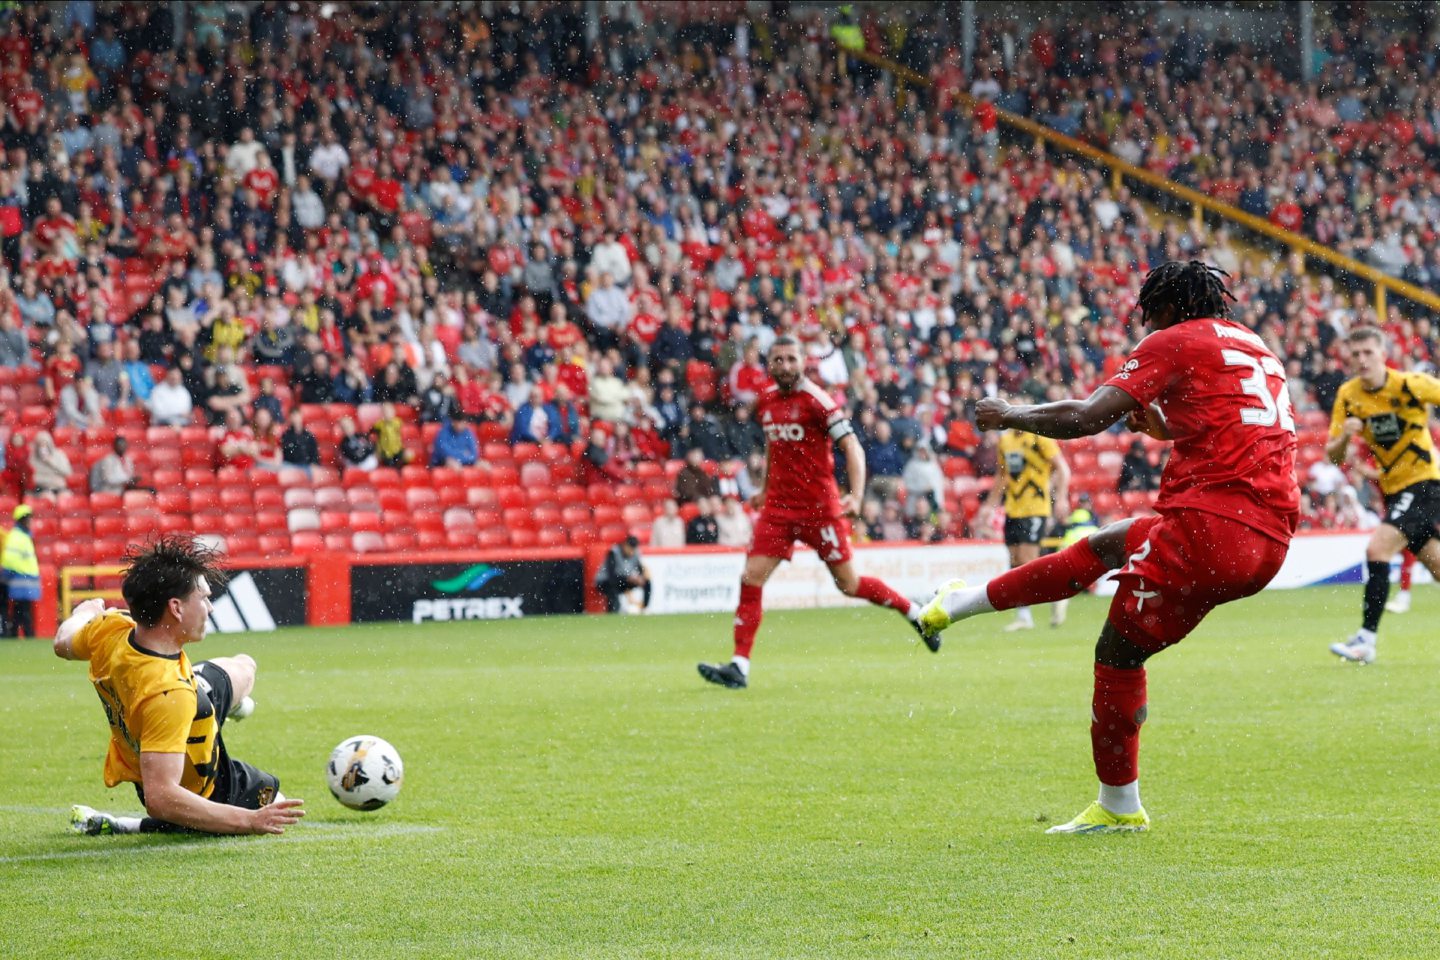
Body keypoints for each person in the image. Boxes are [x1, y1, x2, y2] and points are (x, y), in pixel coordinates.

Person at [916, 261, 1299, 834]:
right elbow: (1236, 421)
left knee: (1117, 656)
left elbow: (1087, 417)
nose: (1146, 321)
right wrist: (1165, 428)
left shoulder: (1171, 339)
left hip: (1210, 528)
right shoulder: (1255, 345)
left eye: (1149, 312)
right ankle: (958, 603)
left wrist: (1009, 415)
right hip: (1270, 533)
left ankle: (1119, 807)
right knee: (1111, 542)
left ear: (1166, 307)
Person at [698, 336, 928, 690]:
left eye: (792, 359)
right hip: (777, 508)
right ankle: (739, 666)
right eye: (779, 360)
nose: (785, 366)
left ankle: (913, 612)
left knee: (849, 585)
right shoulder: (767, 402)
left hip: (819, 510)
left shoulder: (819, 402)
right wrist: (763, 488)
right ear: (769, 365)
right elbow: (775, 447)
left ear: (803, 362)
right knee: (750, 578)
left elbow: (852, 447)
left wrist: (855, 494)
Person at [55, 537, 304, 836]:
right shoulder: (169, 696)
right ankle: (127, 826)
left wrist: (83, 614)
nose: (210, 608)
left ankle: (233, 703)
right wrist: (247, 821)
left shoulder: (110, 629)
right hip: (201, 785)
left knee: (244, 666)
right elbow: (162, 799)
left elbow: (62, 643)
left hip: (184, 695)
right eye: (204, 598)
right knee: (277, 803)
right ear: (175, 608)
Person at [1325, 326, 1440, 664]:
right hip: (1394, 491)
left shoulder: (1409, 384)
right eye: (1355, 354)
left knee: (1377, 548)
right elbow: (1333, 456)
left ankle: (1365, 640)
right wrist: (1346, 437)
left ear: (1382, 353)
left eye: (1368, 353)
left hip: (1423, 484)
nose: (1362, 360)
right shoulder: (1349, 396)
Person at [975, 417, 1071, 630]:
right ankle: (1024, 615)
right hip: (1013, 508)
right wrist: (989, 505)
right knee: (1015, 562)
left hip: (1036, 508)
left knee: (1029, 562)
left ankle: (1059, 593)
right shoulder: (1005, 441)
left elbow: (1062, 469)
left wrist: (1061, 497)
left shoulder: (1039, 438)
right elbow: (1002, 476)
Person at [2, 504, 41, 638]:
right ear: (22, 520)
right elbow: (10, 560)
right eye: (28, 518)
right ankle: (27, 635)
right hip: (21, 579)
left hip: (24, 579)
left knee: (21, 610)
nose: (31, 521)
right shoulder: (18, 537)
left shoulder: (22, 536)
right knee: (23, 611)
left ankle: (15, 635)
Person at [595, 535, 650, 613]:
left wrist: (641, 577)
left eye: (633, 549)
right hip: (605, 582)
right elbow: (612, 576)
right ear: (625, 545)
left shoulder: (635, 553)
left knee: (646, 582)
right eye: (630, 548)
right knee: (613, 595)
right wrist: (628, 578)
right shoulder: (613, 553)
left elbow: (640, 569)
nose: (632, 551)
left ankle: (644, 608)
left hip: (623, 581)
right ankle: (613, 613)